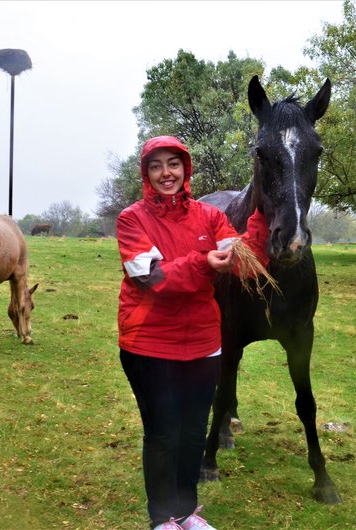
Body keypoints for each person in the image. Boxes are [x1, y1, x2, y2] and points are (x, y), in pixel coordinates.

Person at [116, 136, 268, 530]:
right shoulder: (131, 220)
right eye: (156, 166)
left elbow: (245, 263)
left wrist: (263, 219)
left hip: (202, 346)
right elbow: (151, 277)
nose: (166, 173)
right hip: (149, 344)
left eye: (173, 164)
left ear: (186, 169)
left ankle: (185, 514)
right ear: (146, 174)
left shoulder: (209, 217)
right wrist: (204, 263)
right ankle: (162, 519)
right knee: (164, 433)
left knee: (193, 432)